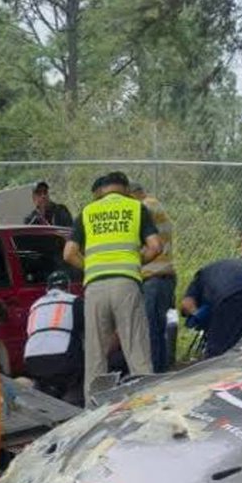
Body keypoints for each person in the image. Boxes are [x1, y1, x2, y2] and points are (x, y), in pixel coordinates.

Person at [63, 170, 162, 403]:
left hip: (95, 287)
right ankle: (145, 406)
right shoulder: (136, 208)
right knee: (137, 350)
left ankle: (92, 410)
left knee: (96, 354)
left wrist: (90, 267)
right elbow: (155, 246)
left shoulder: (88, 211)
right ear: (125, 189)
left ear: (101, 191)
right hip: (126, 283)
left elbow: (68, 253)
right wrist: (135, 263)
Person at [179, 259, 242, 358]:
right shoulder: (218, 269)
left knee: (219, 351)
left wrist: (197, 315)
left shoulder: (199, 277)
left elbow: (186, 304)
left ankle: (215, 372)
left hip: (232, 296)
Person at [129, 183, 175, 374]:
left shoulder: (146, 206)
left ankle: (155, 374)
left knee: (151, 332)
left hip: (154, 277)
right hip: (160, 278)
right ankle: (160, 370)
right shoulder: (153, 206)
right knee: (156, 330)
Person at [22, 269, 84, 405]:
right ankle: (74, 403)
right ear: (68, 287)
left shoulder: (35, 305)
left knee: (45, 389)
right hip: (64, 361)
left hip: (32, 361)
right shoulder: (74, 301)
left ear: (47, 289)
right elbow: (89, 332)